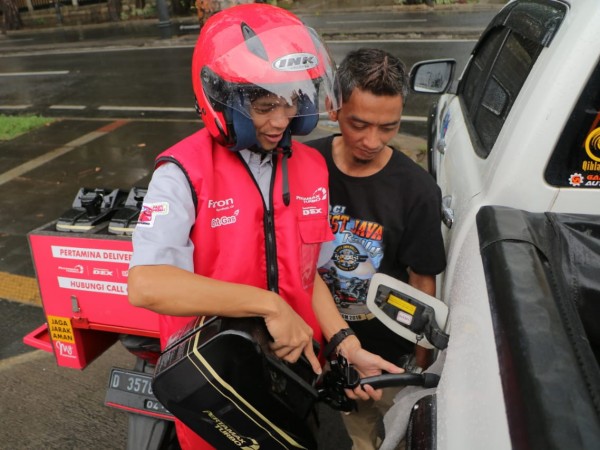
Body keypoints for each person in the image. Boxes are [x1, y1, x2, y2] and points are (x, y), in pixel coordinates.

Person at [127, 7, 403, 450]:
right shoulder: (183, 172)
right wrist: (271, 306)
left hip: (294, 372)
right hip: (219, 383)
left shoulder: (310, 166)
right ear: (221, 99)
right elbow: (146, 285)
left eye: (291, 101)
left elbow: (306, 272)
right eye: (263, 106)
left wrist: (346, 345)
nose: (281, 120)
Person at [306, 47, 447, 449]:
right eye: (359, 124)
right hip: (305, 338)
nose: (372, 140)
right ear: (333, 107)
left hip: (377, 358)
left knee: (369, 435)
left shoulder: (417, 191)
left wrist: (416, 369)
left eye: (389, 127)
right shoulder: (303, 167)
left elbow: (422, 281)